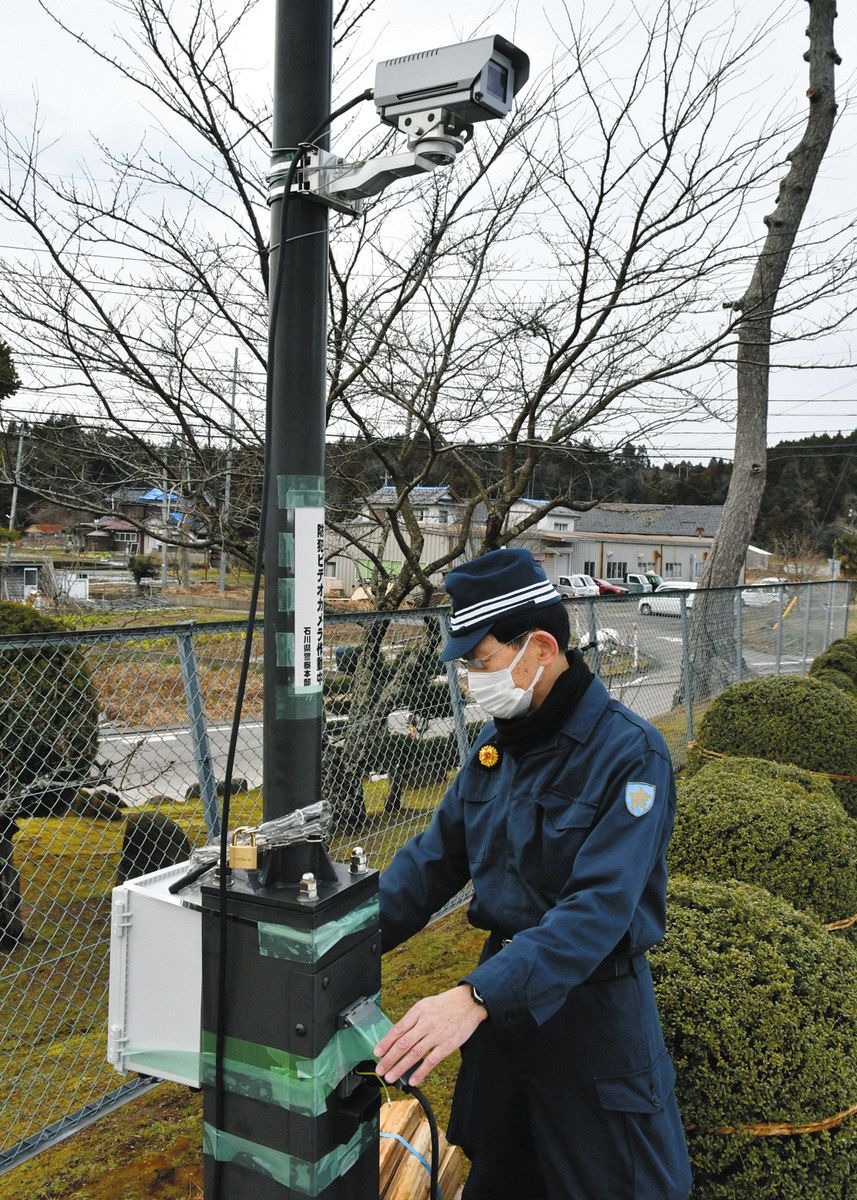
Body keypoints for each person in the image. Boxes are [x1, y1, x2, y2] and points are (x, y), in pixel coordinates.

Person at [373, 547, 692, 1199]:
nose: (471, 679)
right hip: (505, 1040)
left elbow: (597, 910)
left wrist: (472, 996)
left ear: (539, 648)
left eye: (479, 661)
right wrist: (328, 943)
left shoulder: (629, 756)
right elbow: (427, 867)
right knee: (498, 1178)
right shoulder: (496, 752)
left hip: (591, 1027)